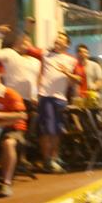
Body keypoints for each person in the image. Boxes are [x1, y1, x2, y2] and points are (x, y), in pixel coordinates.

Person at [37, 31, 79, 173]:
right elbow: (28, 48)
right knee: (46, 130)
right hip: (45, 96)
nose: (57, 40)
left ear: (67, 44)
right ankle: (46, 160)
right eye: (57, 38)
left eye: (61, 39)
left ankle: (54, 157)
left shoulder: (71, 60)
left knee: (56, 130)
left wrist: (67, 73)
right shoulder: (45, 54)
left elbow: (78, 80)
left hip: (60, 98)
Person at [0, 25, 40, 121]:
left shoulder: (36, 62)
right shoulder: (10, 54)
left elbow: (33, 81)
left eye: (27, 41)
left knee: (26, 128)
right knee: (8, 125)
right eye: (21, 40)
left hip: (28, 100)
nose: (24, 42)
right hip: (10, 98)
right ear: (16, 43)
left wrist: (34, 96)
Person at [0, 70, 28, 197]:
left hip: (14, 129)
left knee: (8, 143)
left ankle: (6, 183)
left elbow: (22, 116)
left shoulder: (10, 93)